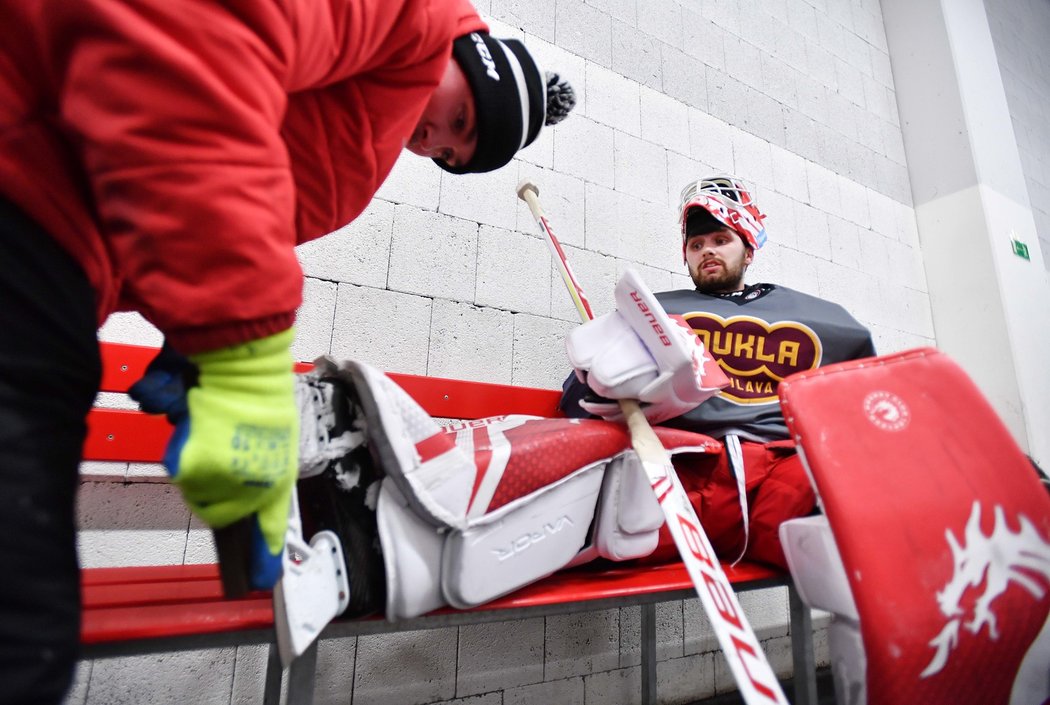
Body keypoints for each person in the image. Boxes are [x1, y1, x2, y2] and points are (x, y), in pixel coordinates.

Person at [0, 1, 575, 701]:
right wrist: (239, 348)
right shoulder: (408, 19)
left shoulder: (374, 129)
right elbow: (185, 38)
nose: (435, 142)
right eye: (460, 119)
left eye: (451, 154)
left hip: (56, 251)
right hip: (26, 193)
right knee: (23, 630)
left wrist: (192, 339)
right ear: (471, 59)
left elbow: (190, 172)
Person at [560, 174, 876, 569]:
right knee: (604, 535)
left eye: (720, 240)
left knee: (842, 530)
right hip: (686, 473)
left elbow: (864, 409)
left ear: (748, 250)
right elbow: (575, 403)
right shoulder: (653, 315)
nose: (707, 251)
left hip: (781, 468)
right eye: (696, 245)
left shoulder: (822, 320)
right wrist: (601, 374)